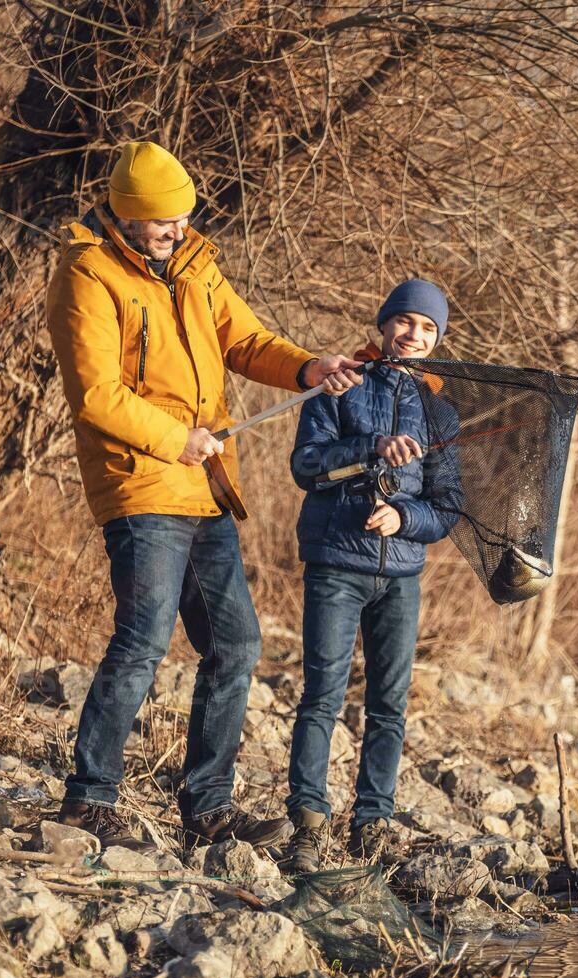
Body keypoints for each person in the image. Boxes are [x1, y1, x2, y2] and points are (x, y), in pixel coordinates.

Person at [43, 140, 364, 850]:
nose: (177, 231)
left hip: (207, 487)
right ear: (127, 217)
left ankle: (208, 808)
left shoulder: (196, 265)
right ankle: (88, 801)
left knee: (237, 644)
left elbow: (247, 341)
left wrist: (310, 367)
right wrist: (171, 438)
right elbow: (95, 393)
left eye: (184, 218)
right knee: (144, 639)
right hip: (143, 481)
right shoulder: (87, 275)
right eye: (163, 223)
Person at [281, 278, 463, 872]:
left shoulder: (440, 411)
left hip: (402, 576)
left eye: (427, 328)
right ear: (384, 324)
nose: (414, 335)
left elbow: (448, 506)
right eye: (405, 322)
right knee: (322, 696)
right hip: (336, 563)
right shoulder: (338, 386)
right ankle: (308, 823)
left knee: (389, 704)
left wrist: (404, 516)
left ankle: (373, 824)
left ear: (436, 340)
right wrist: (370, 449)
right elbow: (305, 467)